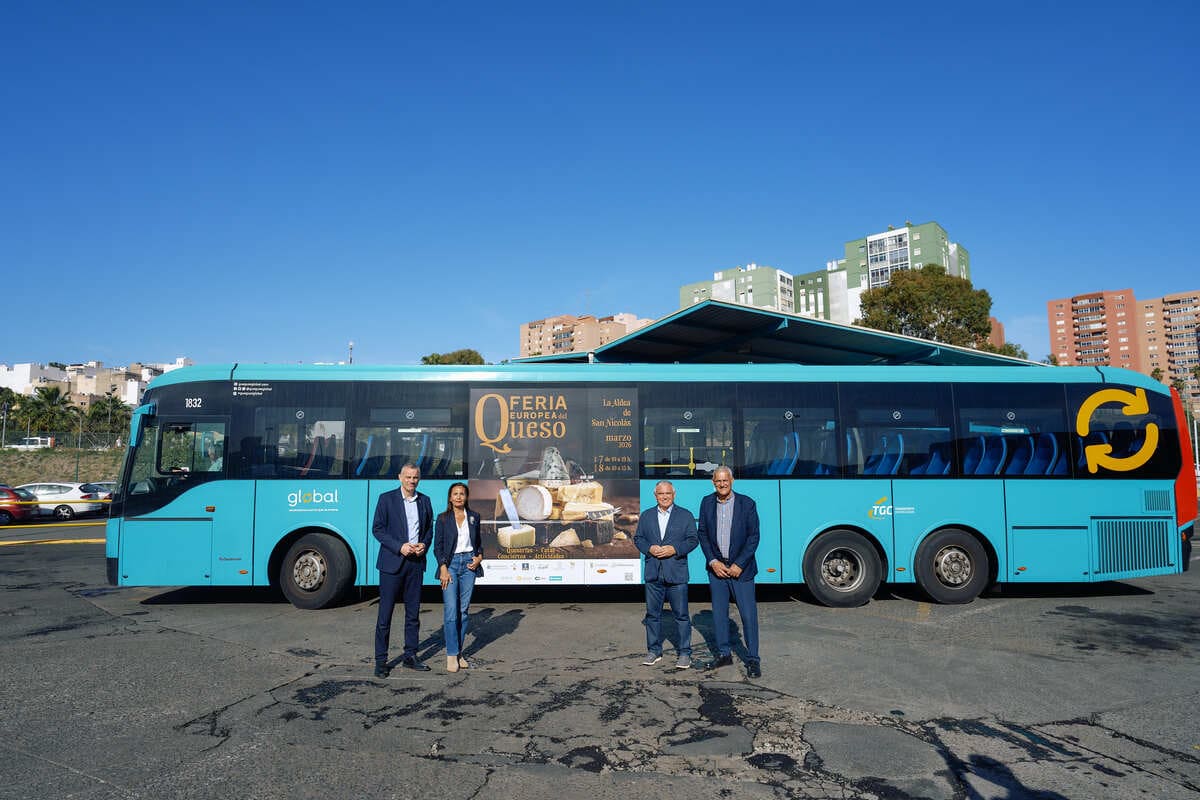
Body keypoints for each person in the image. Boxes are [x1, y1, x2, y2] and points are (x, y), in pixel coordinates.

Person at [697, 465, 762, 678]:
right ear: (713, 482)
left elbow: (753, 537)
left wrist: (739, 564)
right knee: (719, 615)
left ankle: (753, 659)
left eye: (725, 481)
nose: (722, 484)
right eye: (718, 481)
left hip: (740, 570)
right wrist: (713, 561)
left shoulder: (747, 503)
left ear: (732, 481)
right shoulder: (707, 502)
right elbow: (703, 534)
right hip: (717, 569)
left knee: (748, 615)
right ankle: (724, 655)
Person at [372, 463, 434, 676]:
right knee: (385, 615)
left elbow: (428, 530)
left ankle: (410, 656)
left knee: (413, 614)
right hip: (392, 563)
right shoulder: (386, 499)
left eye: (415, 477)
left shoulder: (425, 501)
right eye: (407, 477)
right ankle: (381, 661)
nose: (411, 481)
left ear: (419, 479)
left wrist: (424, 545)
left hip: (415, 564)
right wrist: (400, 546)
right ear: (400, 477)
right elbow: (377, 529)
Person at [633, 480, 698, 669]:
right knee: (653, 615)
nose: (665, 497)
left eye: (668, 493)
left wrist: (674, 549)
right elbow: (638, 538)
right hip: (653, 573)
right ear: (655, 496)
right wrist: (649, 548)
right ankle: (654, 651)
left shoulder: (685, 515)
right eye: (661, 494)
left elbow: (693, 540)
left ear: (674, 494)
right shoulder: (646, 516)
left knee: (682, 616)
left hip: (676, 573)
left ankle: (685, 653)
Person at [433, 481, 484, 673]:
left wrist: (479, 558)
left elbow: (478, 543)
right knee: (451, 611)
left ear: (466, 497)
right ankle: (451, 655)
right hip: (451, 565)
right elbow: (437, 547)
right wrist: (443, 568)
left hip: (469, 565)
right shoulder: (443, 519)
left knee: (463, 611)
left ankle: (459, 652)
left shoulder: (474, 517)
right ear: (450, 497)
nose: (458, 497)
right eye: (455, 494)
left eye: (462, 494)